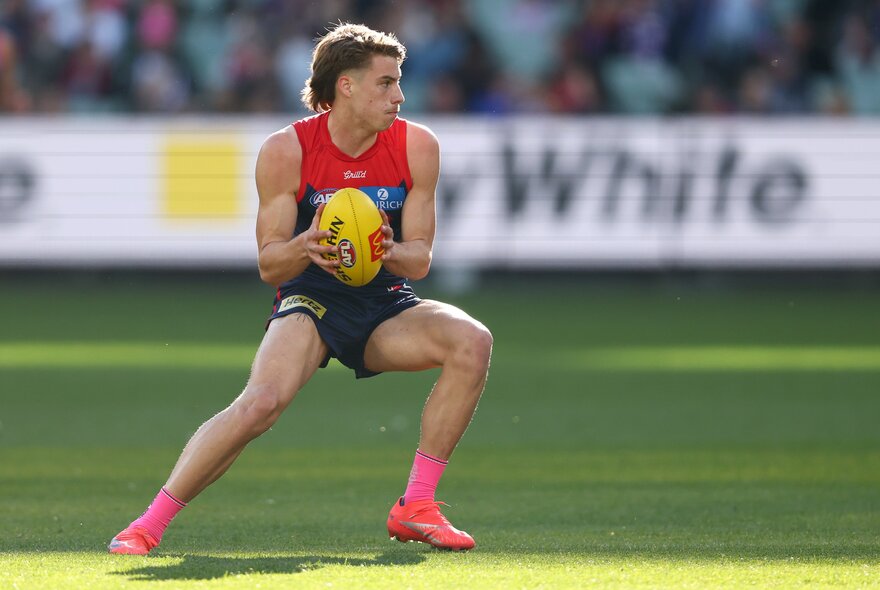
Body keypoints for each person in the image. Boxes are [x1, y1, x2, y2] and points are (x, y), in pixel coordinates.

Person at [108, 22, 492, 554]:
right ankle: (147, 526)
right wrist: (305, 245)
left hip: (384, 301)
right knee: (260, 404)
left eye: (399, 82)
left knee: (473, 341)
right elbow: (270, 264)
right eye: (386, 83)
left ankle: (417, 506)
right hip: (312, 297)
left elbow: (420, 259)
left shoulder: (417, 146)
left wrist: (386, 249)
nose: (399, 96)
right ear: (346, 86)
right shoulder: (287, 150)